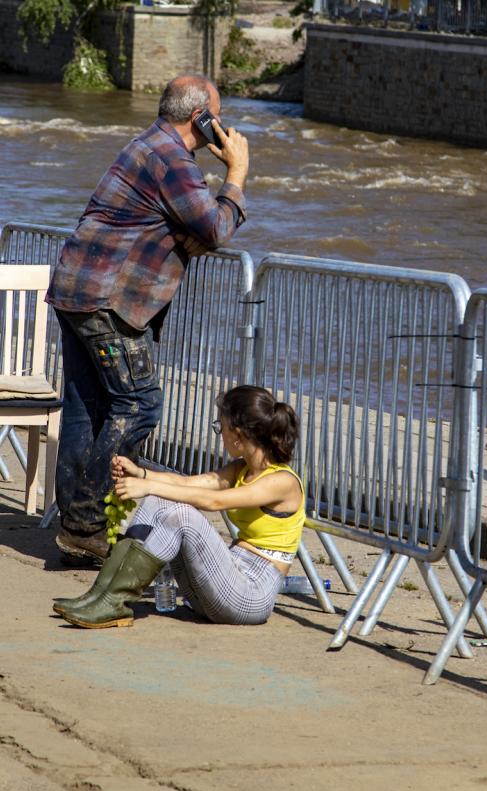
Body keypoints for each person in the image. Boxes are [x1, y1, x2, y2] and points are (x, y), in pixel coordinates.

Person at [46, 74, 250, 567]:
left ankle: (78, 530)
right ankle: (88, 523)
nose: (220, 125)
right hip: (108, 302)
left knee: (86, 409)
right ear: (200, 117)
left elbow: (190, 229)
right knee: (140, 404)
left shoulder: (147, 146)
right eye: (216, 116)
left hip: (78, 291)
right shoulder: (173, 160)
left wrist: (193, 234)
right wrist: (237, 175)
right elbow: (215, 229)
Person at [53, 386, 304, 629]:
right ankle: (102, 595)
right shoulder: (242, 468)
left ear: (238, 435)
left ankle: (112, 601)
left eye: (221, 427)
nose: (220, 433)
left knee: (183, 515)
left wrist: (148, 486)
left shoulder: (282, 481)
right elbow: (189, 483)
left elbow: (213, 501)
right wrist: (141, 474)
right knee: (157, 502)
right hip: (222, 584)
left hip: (250, 595)